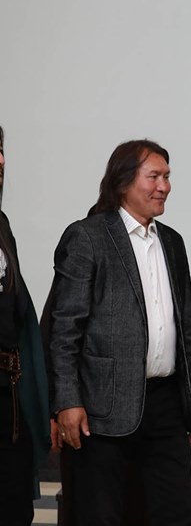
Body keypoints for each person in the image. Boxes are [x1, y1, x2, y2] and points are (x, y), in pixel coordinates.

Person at [49, 139, 191, 526]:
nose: (164, 186)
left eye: (167, 177)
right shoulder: (88, 236)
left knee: (177, 512)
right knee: (102, 515)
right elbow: (65, 329)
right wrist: (66, 401)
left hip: (165, 405)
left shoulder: (172, 242)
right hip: (101, 409)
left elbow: (188, 328)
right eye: (154, 176)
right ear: (123, 182)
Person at [0, 125, 51, 525]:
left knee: (14, 506)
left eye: (1, 150)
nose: (1, 161)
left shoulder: (2, 225)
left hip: (7, 397)